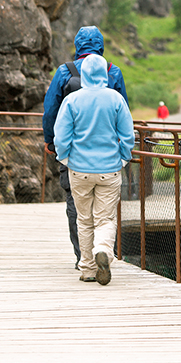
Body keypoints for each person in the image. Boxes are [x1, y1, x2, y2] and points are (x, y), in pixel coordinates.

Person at [42, 25, 128, 267]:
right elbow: (124, 115)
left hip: (74, 155)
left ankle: (84, 259)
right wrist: (123, 153)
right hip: (108, 157)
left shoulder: (64, 72)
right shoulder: (113, 72)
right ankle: (103, 251)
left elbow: (51, 111)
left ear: (77, 46)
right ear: (101, 47)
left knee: (76, 205)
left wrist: (52, 143)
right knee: (105, 212)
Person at [54, 54, 135, 285]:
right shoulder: (116, 99)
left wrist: (66, 158)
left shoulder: (72, 100)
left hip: (79, 169)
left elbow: (61, 137)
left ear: (84, 75)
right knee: (106, 218)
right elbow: (128, 135)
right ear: (104, 75)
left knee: (84, 219)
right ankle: (103, 250)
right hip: (109, 169)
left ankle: (88, 269)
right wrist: (123, 158)